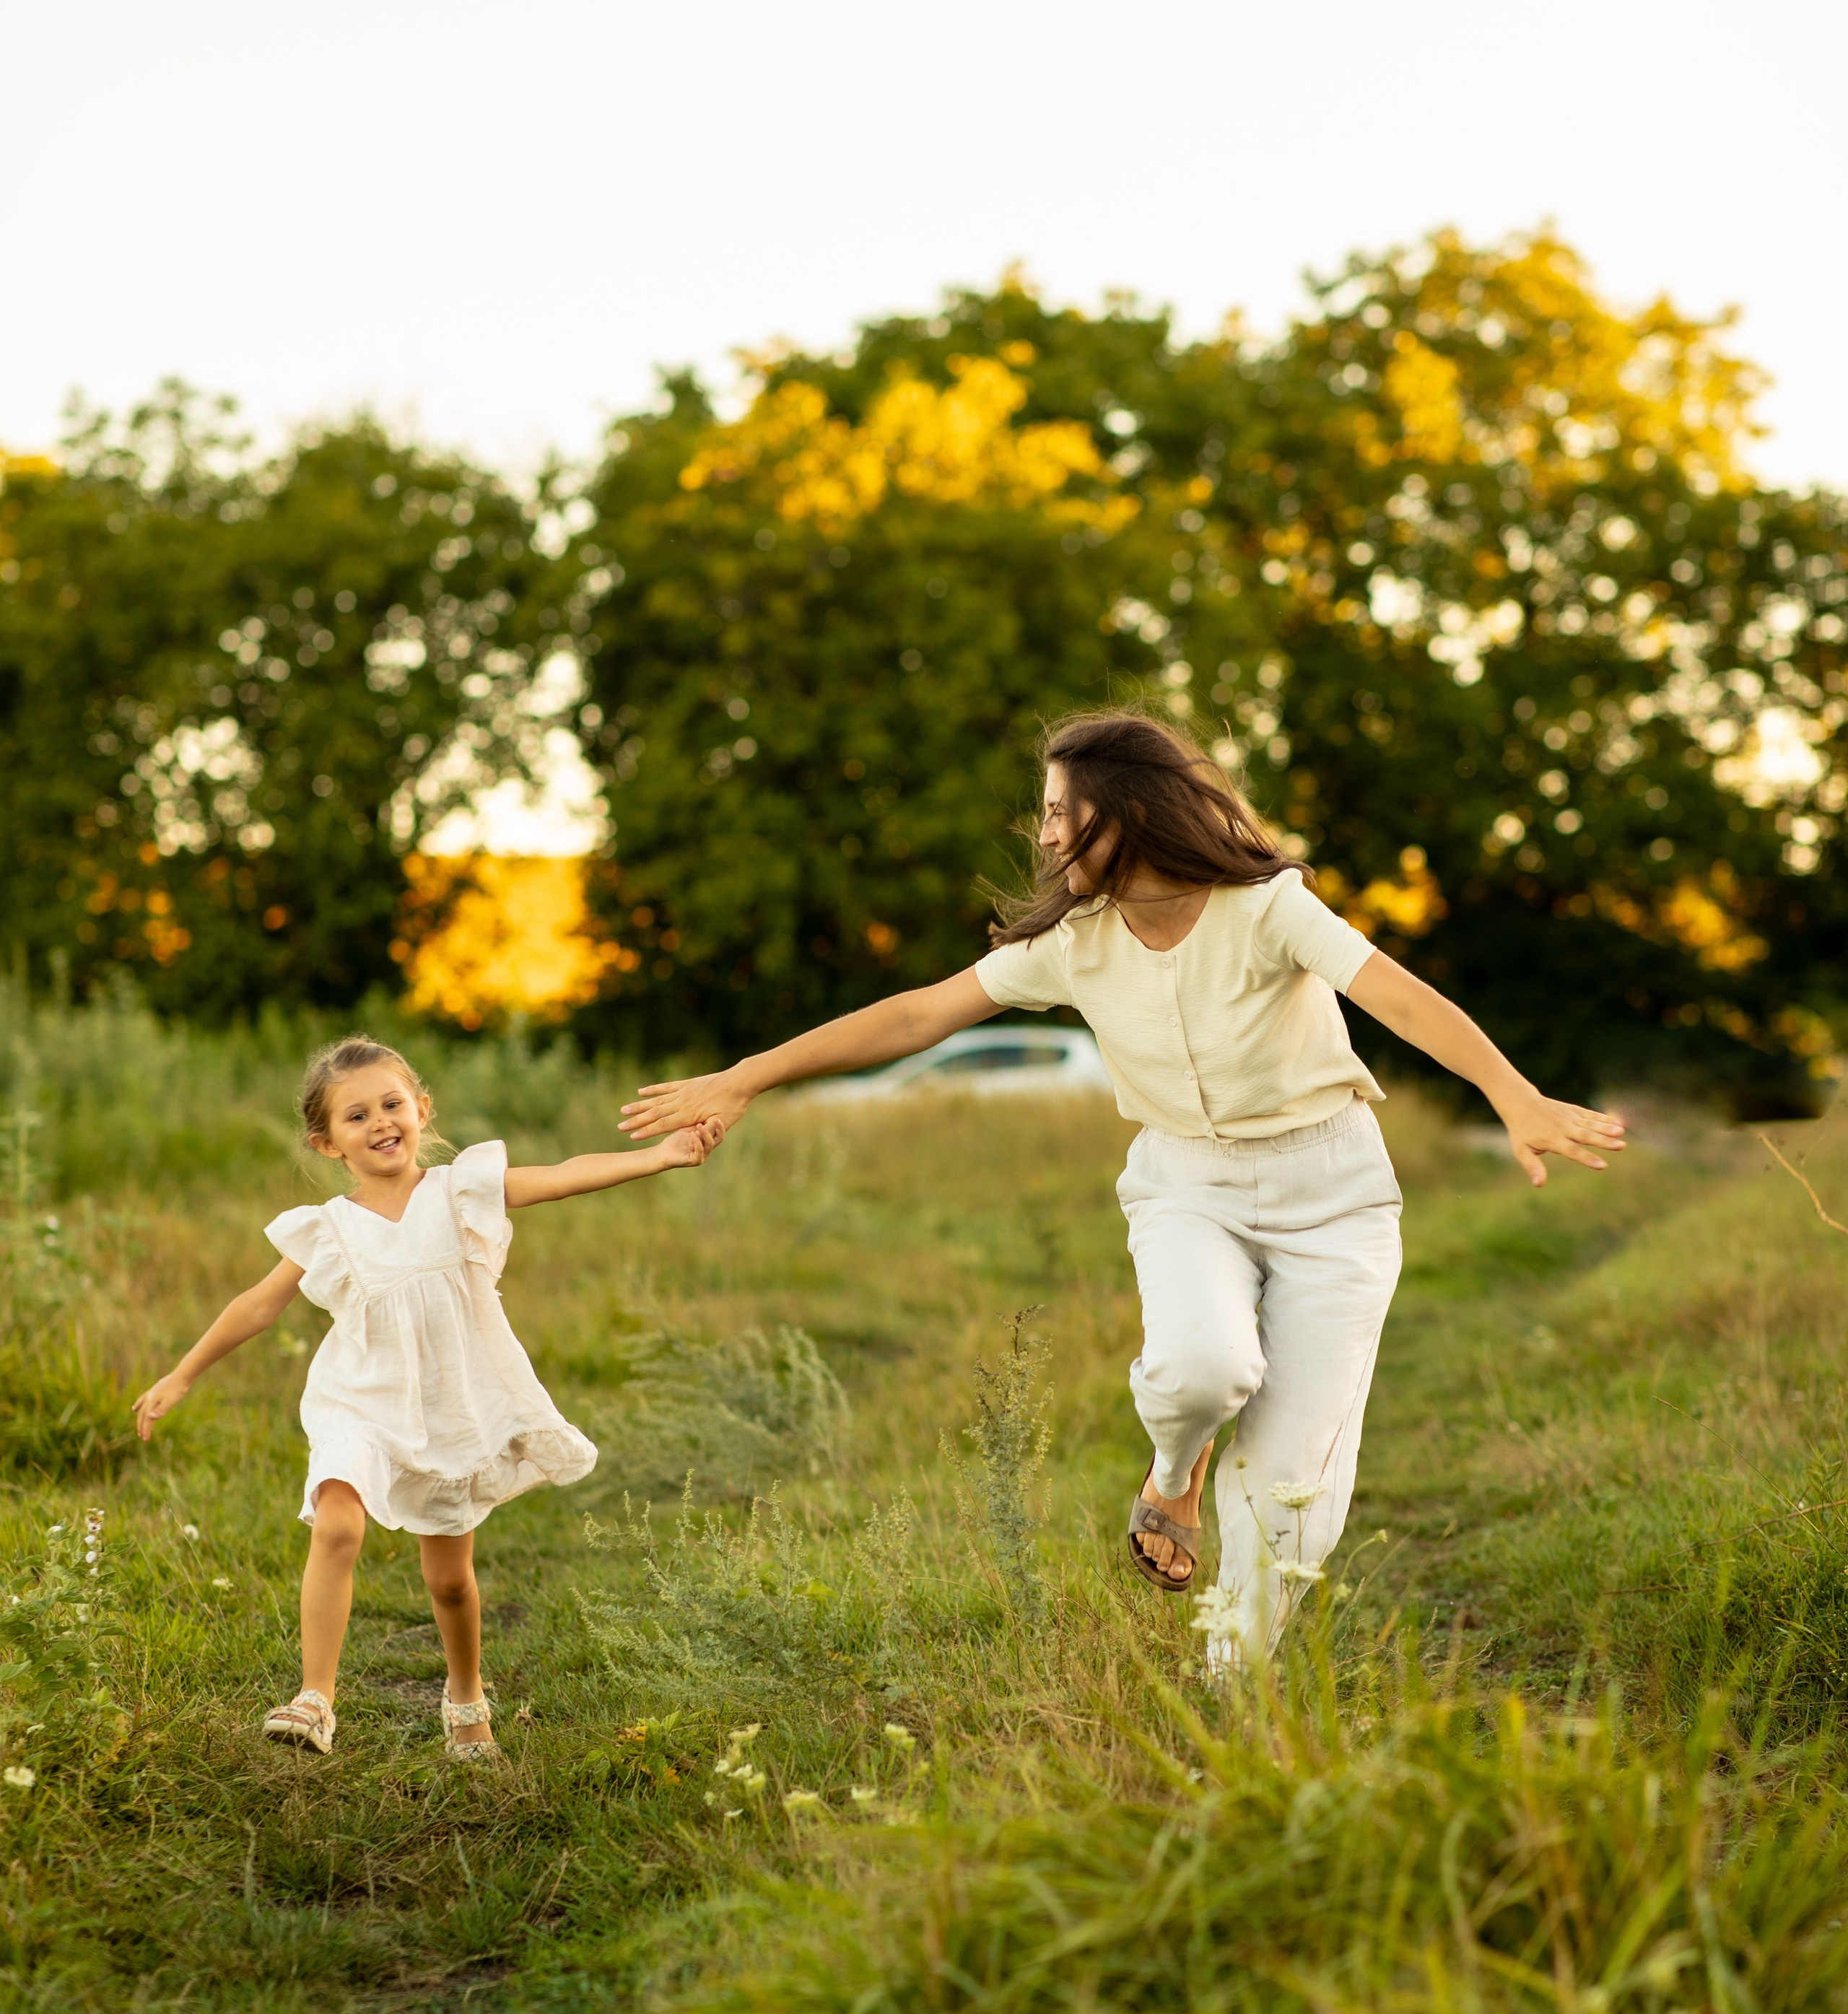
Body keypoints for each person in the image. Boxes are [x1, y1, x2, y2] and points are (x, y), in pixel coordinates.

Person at [619, 709, 1623, 1668]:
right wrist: (745, 1075)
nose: (1044, 831)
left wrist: (1511, 1092)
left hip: (1336, 1194)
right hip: (1188, 1182)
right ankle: (1173, 1476)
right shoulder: (1073, 943)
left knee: (1292, 1494)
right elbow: (916, 1018)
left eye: (1061, 810)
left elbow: (1395, 994)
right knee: (1200, 1368)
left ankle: (1235, 1690)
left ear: (1129, 813)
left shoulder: (1269, 908)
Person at [134, 1036, 722, 1758]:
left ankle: (466, 1699)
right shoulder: (328, 1230)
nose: (380, 1122)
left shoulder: (459, 1190)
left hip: (448, 1409)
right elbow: (256, 1305)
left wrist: (661, 1155)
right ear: (327, 1144)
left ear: (421, 1109)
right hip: (360, 1403)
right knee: (336, 1523)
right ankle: (316, 1697)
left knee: (448, 1583)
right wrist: (182, 1373)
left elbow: (566, 1175)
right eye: (356, 1116)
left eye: (391, 1104)